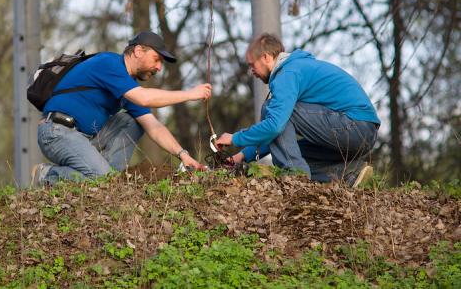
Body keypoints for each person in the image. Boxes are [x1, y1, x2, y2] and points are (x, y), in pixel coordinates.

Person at [31, 31, 210, 185]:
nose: (159, 67)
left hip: (84, 138)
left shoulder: (127, 87)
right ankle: (48, 176)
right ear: (139, 51)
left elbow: (154, 127)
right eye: (157, 59)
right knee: (105, 181)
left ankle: (107, 177)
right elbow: (145, 98)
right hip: (57, 132)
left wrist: (183, 154)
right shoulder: (109, 63)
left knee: (133, 122)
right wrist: (190, 94)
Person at [216, 33, 380, 187]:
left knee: (272, 111)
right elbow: (277, 135)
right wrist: (241, 156)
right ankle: (347, 174)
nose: (252, 71)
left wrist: (234, 138)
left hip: (355, 126)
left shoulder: (287, 73)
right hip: (361, 133)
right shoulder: (296, 69)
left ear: (265, 57)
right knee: (290, 152)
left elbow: (275, 125)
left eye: (252, 65)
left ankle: (295, 179)